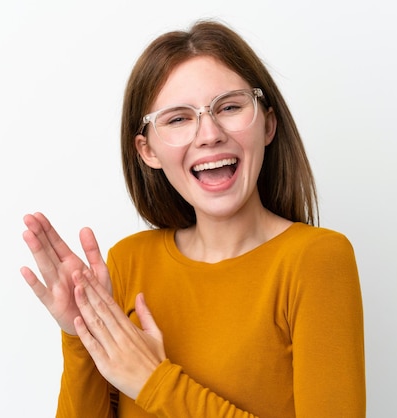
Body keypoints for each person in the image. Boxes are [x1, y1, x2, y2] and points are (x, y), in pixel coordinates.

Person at [21, 19, 365, 418]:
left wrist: (155, 383)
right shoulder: (127, 263)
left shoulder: (316, 260)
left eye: (231, 107)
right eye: (178, 118)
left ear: (268, 124)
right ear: (147, 150)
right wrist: (80, 334)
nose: (209, 134)